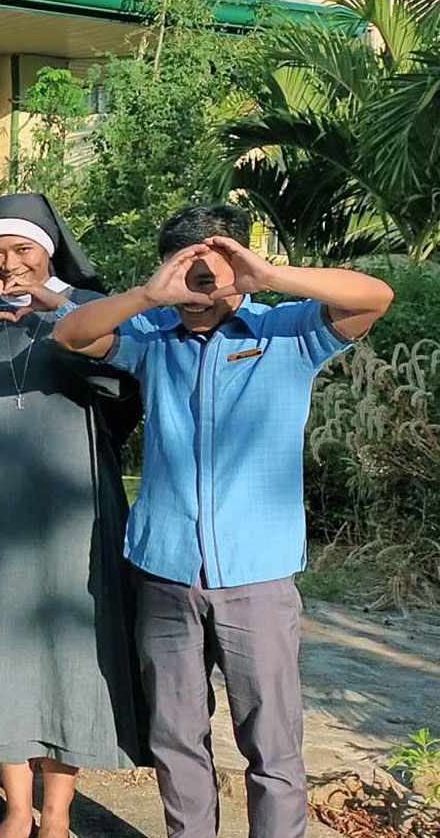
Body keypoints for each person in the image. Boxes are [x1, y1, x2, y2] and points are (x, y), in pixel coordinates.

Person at [53, 204, 392, 838]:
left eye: (211, 281)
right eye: (184, 280)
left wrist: (273, 276)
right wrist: (148, 294)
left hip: (258, 574)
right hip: (164, 567)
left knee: (272, 742)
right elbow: (70, 336)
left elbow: (376, 295)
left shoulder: (287, 333)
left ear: (239, 268)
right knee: (176, 735)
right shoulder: (153, 333)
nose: (196, 297)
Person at [0, 194, 146, 838]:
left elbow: (123, 378)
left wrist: (60, 303)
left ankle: (57, 815)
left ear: (50, 253)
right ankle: (16, 810)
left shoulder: (84, 315)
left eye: (22, 249)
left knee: (70, 652)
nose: (7, 264)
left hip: (72, 510)